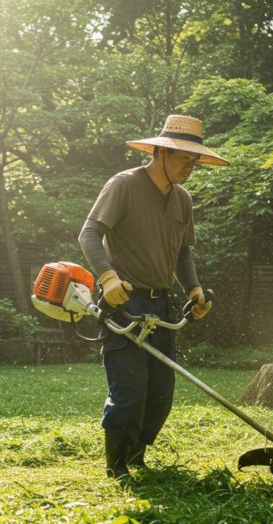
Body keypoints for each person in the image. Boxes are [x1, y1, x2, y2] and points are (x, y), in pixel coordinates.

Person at [78, 114, 228, 479]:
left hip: (162, 304)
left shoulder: (182, 199)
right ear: (160, 152)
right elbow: (89, 233)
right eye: (183, 158)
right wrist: (108, 277)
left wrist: (193, 289)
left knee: (160, 392)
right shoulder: (124, 185)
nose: (189, 167)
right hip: (124, 301)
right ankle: (117, 467)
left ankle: (136, 456)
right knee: (130, 389)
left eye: (194, 161)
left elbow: (182, 251)